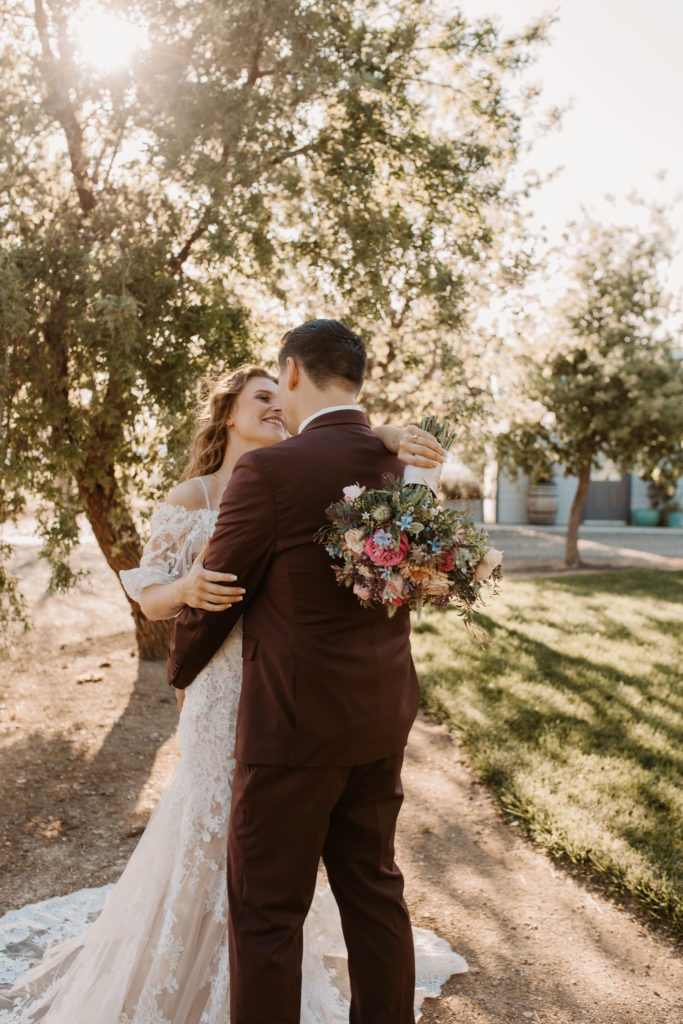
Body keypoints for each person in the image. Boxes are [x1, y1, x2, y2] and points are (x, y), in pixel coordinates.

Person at [3, 356, 466, 1023]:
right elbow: (155, 596)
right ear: (226, 412)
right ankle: (187, 975)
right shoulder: (195, 496)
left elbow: (347, 459)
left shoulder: (298, 472)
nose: (276, 405)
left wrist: (386, 432)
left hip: (285, 694)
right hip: (230, 692)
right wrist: (185, 594)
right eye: (260, 396)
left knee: (268, 879)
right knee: (216, 848)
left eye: (282, 395)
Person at [168, 320, 453, 1024]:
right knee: (374, 891)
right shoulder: (405, 467)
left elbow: (220, 590)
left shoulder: (270, 471)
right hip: (380, 714)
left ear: (291, 372)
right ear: (356, 379)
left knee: (266, 913)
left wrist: (182, 668)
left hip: (292, 730)